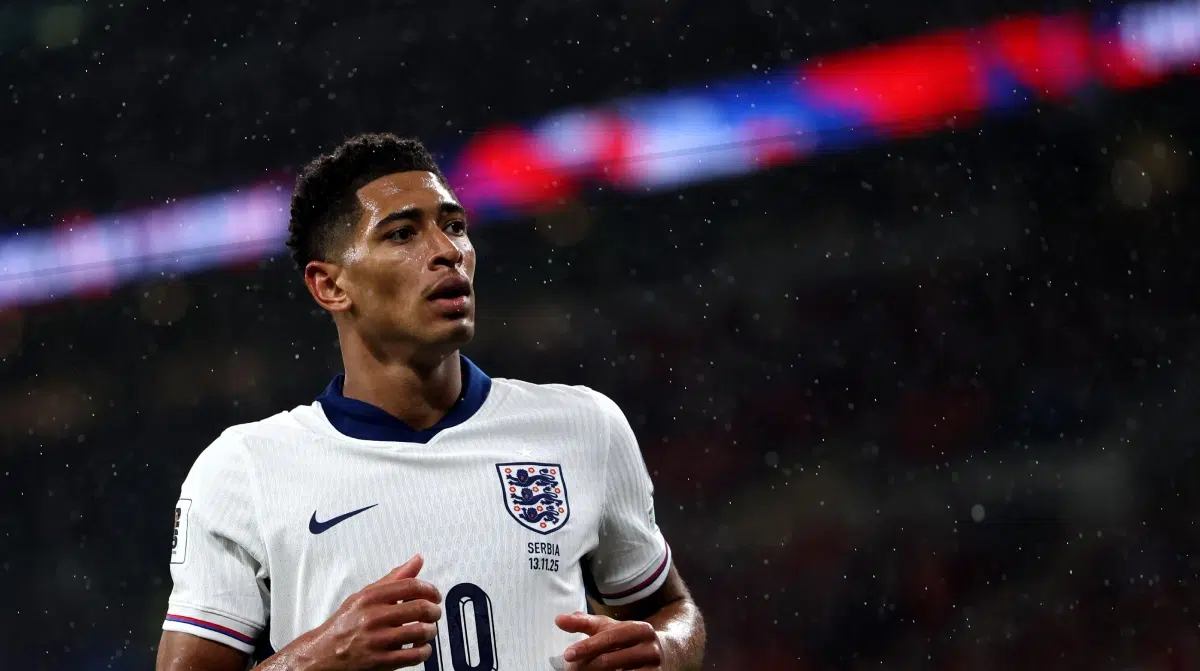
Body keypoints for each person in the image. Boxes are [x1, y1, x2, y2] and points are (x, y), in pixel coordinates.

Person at [155, 133, 706, 671]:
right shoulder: (244, 469)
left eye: (455, 226)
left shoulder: (585, 426)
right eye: (401, 234)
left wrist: (668, 649)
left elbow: (668, 608)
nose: (448, 252)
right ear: (330, 287)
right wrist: (314, 659)